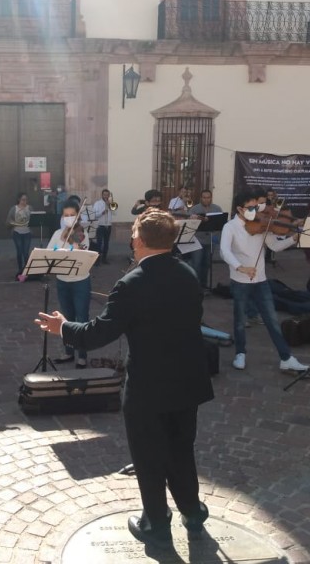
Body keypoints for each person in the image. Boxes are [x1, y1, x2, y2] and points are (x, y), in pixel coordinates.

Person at [35, 210, 214, 549]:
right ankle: (192, 512)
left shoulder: (132, 283)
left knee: (148, 455)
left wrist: (63, 327)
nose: (131, 240)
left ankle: (156, 524)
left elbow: (97, 333)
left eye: (133, 234)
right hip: (187, 380)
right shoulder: (188, 274)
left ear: (141, 240)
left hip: (149, 385)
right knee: (180, 449)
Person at [220, 190, 308, 372]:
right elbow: (224, 251)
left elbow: (275, 245)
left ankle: (286, 357)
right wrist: (240, 267)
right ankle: (240, 353)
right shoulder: (230, 227)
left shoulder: (261, 224)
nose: (255, 210)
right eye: (251, 207)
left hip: (261, 280)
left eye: (256, 206)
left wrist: (293, 238)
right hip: (240, 280)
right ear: (239, 208)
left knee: (272, 320)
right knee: (239, 320)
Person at [47, 200, 92, 368]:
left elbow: (84, 255)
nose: (69, 218)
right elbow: (50, 252)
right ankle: (68, 352)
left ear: (78, 216)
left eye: (72, 215)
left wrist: (74, 244)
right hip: (62, 281)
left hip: (80, 281)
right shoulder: (58, 233)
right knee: (66, 319)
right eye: (66, 215)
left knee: (81, 318)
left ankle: (82, 355)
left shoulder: (82, 233)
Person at [188, 189, 223, 291]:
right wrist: (192, 219)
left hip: (210, 240)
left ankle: (204, 285)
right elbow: (189, 225)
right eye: (204, 197)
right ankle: (195, 286)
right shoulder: (194, 209)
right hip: (197, 240)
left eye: (208, 197)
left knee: (207, 264)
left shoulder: (217, 208)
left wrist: (216, 239)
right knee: (196, 264)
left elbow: (219, 224)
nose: (206, 199)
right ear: (201, 198)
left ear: (211, 198)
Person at [6, 192, 32, 279]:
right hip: (17, 232)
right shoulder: (14, 209)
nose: (25, 202)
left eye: (26, 200)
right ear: (19, 200)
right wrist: (14, 223)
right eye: (23, 200)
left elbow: (34, 219)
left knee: (26, 253)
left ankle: (27, 270)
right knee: (19, 252)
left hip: (27, 232)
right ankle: (20, 270)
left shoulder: (29, 208)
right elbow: (8, 221)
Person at [91, 188, 115, 264]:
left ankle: (104, 259)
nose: (106, 196)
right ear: (102, 195)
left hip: (108, 226)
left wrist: (110, 205)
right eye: (104, 195)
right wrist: (102, 212)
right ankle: (97, 260)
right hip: (100, 226)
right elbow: (94, 215)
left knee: (106, 243)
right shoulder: (97, 203)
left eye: (107, 195)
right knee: (99, 243)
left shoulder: (112, 204)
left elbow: (115, 213)